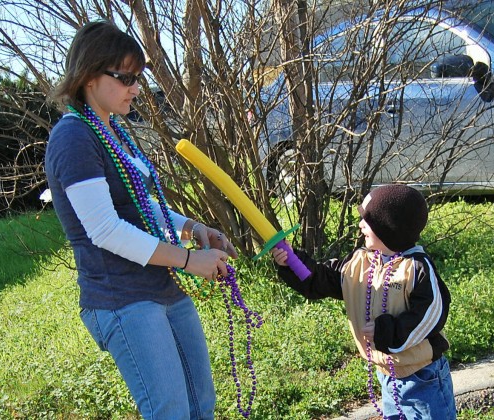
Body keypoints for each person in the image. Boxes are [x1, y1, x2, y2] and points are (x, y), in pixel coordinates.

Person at [45, 20, 238, 420]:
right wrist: (188, 260)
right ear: (89, 76)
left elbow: (136, 203)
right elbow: (105, 230)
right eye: (126, 78)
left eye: (138, 78)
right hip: (120, 298)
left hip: (157, 287)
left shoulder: (113, 130)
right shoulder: (74, 138)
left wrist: (192, 228)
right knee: (169, 412)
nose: (136, 88)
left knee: (201, 407)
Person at [272, 184, 456, 419]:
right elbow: (321, 279)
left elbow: (431, 314)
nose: (360, 225)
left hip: (422, 378)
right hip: (387, 375)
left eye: (367, 221)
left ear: (389, 228)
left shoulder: (417, 268)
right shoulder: (359, 263)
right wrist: (292, 264)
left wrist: (388, 331)